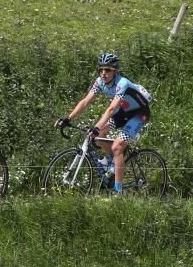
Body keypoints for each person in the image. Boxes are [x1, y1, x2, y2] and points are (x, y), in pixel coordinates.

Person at [54, 52, 151, 194]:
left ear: (115, 71)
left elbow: (111, 109)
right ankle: (113, 163)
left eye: (107, 70)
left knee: (117, 146)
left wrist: (97, 127)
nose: (103, 73)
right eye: (101, 70)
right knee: (97, 137)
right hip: (124, 112)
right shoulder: (99, 82)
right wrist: (68, 118)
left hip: (139, 114)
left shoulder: (122, 83)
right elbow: (85, 101)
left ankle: (118, 192)